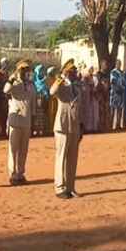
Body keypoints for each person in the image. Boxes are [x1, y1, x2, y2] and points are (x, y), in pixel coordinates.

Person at [52, 59, 84, 200]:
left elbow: (80, 107)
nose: (75, 73)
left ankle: (70, 187)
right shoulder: (61, 85)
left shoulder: (78, 87)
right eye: (72, 71)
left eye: (75, 71)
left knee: (72, 159)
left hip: (74, 126)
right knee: (61, 158)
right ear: (66, 73)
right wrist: (59, 79)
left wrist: (81, 126)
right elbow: (52, 92)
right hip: (62, 126)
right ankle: (60, 187)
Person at [5, 60, 36, 186]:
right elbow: (6, 90)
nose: (25, 73)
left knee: (23, 149)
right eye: (22, 70)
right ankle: (12, 174)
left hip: (26, 119)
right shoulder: (14, 83)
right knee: (13, 149)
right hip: (16, 120)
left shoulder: (31, 85)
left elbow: (33, 102)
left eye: (27, 70)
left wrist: (33, 117)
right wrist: (12, 78)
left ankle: (20, 173)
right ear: (18, 72)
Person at [32, 64, 49, 137]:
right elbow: (33, 89)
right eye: (40, 70)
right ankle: (36, 130)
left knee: (42, 115)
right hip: (36, 99)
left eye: (42, 70)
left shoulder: (45, 80)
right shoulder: (34, 80)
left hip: (44, 99)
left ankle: (41, 130)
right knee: (36, 115)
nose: (41, 72)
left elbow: (47, 88)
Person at [110, 59, 124, 130]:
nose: (118, 65)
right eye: (117, 63)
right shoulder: (113, 72)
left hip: (121, 93)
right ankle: (110, 125)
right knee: (112, 109)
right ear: (115, 64)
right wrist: (117, 88)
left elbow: (124, 82)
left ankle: (118, 124)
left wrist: (122, 88)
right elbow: (113, 81)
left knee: (119, 109)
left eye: (119, 63)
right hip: (114, 93)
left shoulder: (122, 72)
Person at [96, 60, 111, 133]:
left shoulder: (107, 74)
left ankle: (107, 126)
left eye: (106, 65)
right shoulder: (98, 74)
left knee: (107, 110)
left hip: (106, 94)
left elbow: (109, 83)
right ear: (101, 65)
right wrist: (103, 86)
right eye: (104, 65)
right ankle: (101, 127)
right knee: (101, 111)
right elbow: (99, 83)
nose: (106, 66)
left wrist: (108, 87)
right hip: (101, 94)